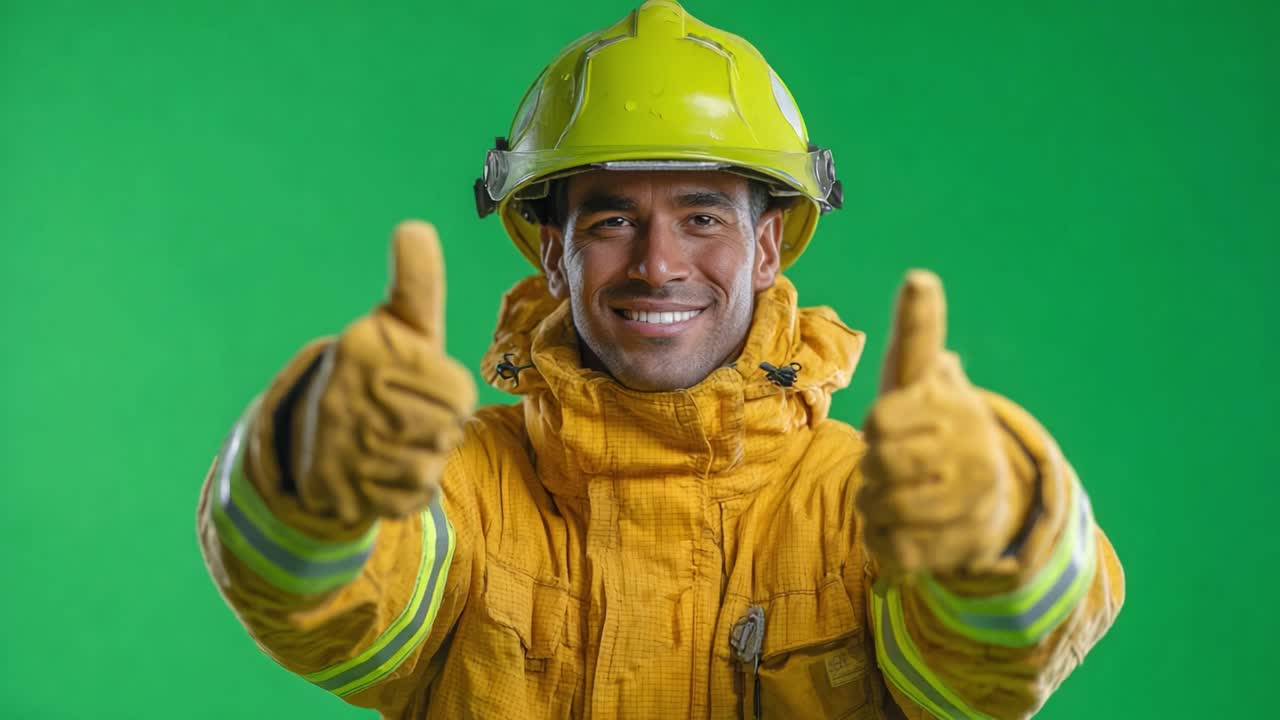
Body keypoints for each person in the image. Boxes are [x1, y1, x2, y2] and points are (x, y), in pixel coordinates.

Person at [197, 1, 1124, 718]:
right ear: (550, 253)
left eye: (703, 215)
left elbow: (993, 678)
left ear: (770, 247)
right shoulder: (455, 486)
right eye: (610, 219)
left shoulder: (871, 506)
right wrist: (304, 472)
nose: (657, 263)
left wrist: (1003, 533)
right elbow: (321, 611)